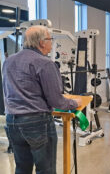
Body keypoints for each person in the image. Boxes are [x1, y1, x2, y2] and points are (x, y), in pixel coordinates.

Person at [3, 25, 82, 173]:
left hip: (12, 122)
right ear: (41, 42)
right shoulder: (45, 63)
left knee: (21, 168)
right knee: (46, 169)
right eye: (50, 39)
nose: (52, 43)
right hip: (36, 123)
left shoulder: (8, 61)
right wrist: (74, 102)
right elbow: (56, 101)